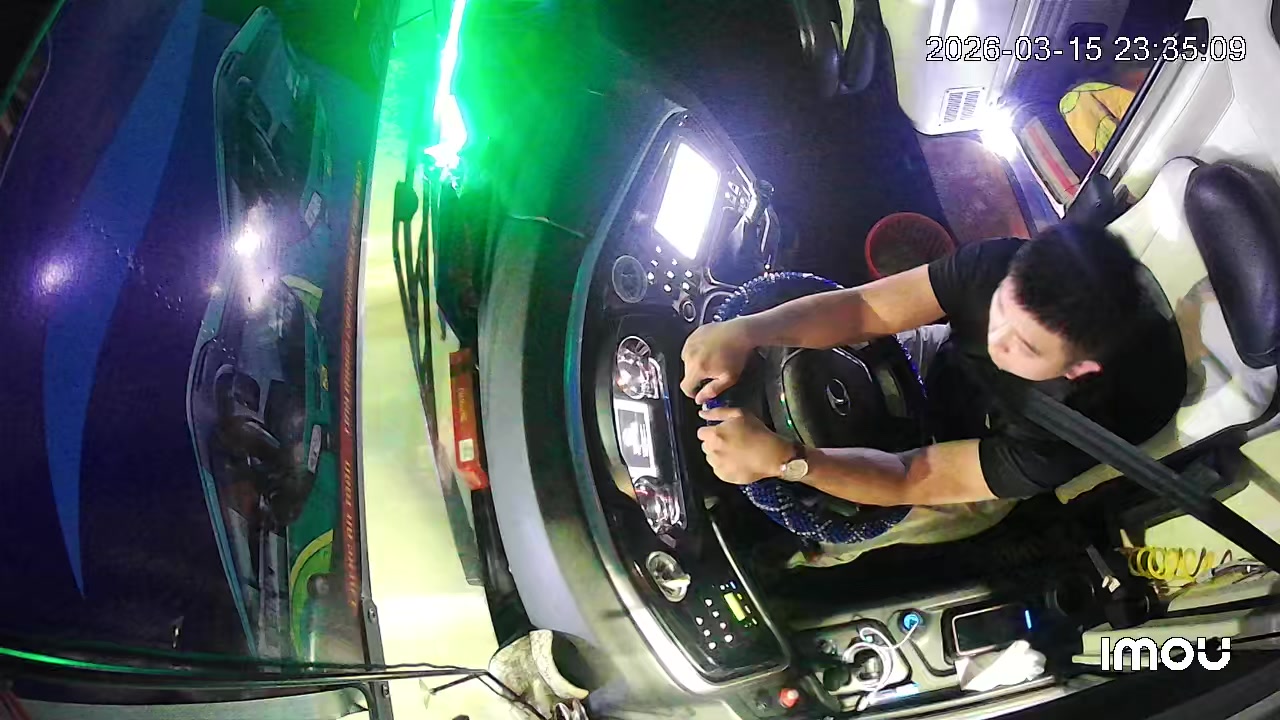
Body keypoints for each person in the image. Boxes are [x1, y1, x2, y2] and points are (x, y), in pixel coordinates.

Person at [680, 225, 1187, 566]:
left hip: (994, 450)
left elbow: (908, 475)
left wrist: (786, 462)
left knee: (874, 522)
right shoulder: (998, 266)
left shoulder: (1061, 439)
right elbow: (862, 310)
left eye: (1026, 345)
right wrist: (748, 330)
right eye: (1001, 309)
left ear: (1080, 369)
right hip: (959, 369)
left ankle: (804, 559)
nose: (998, 338)